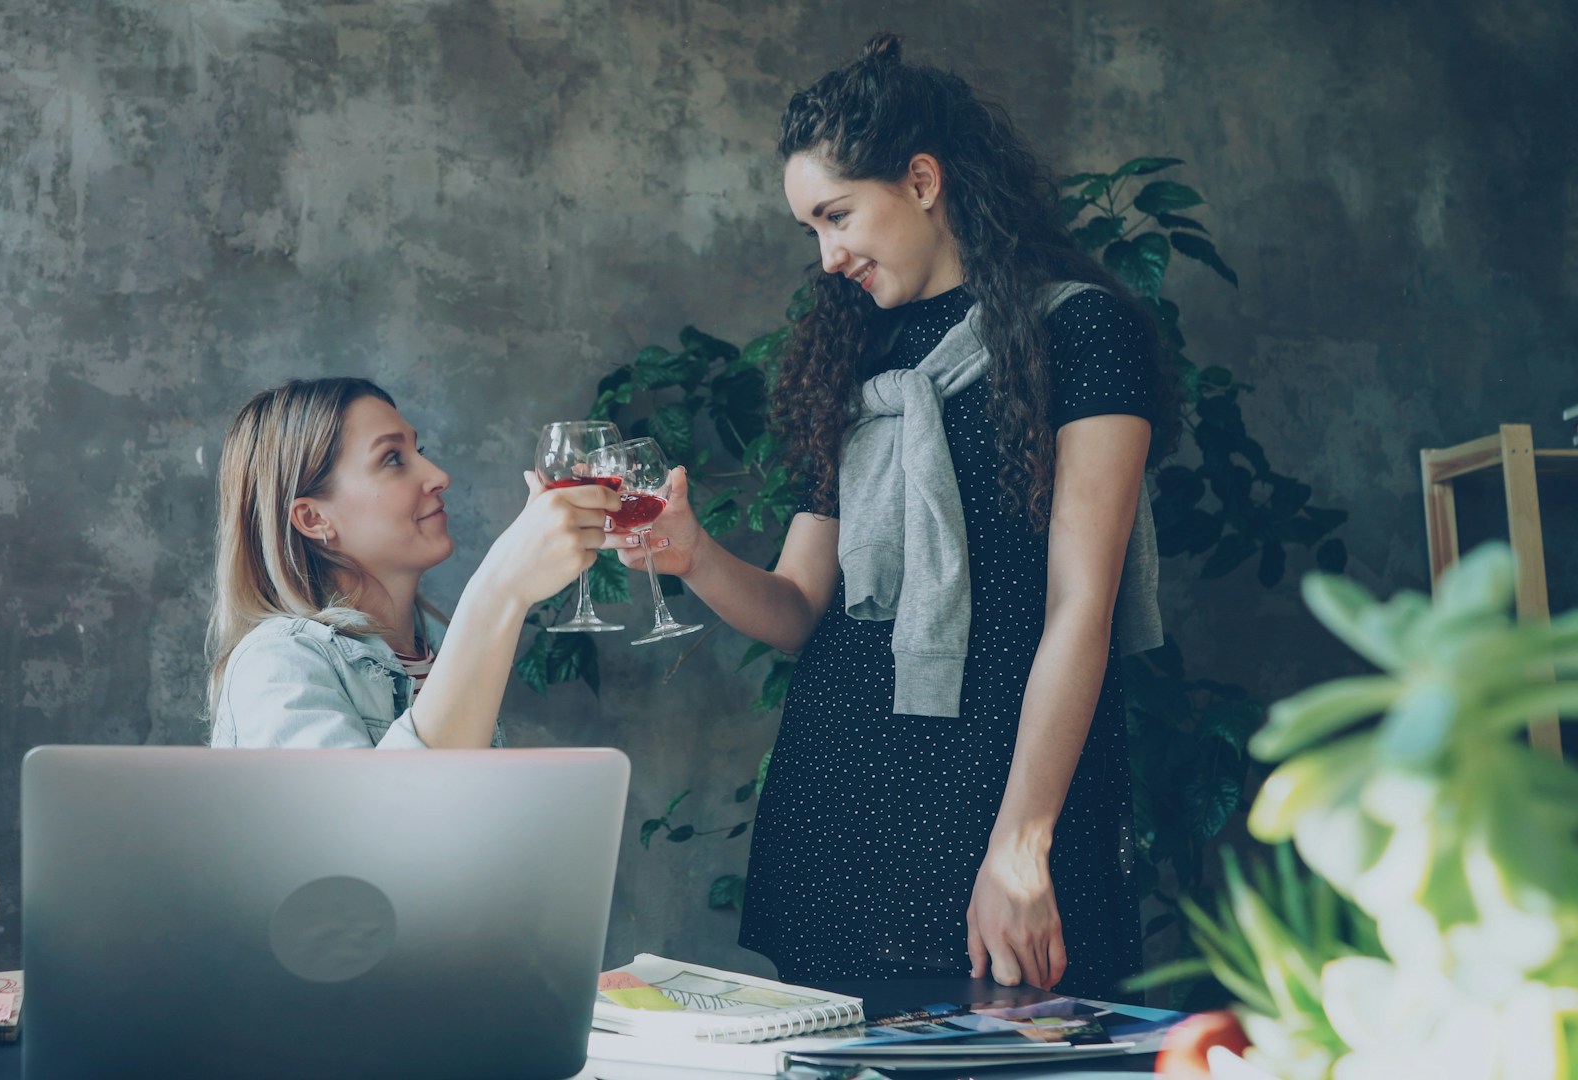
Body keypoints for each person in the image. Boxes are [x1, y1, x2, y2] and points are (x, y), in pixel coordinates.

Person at [618, 33, 1174, 997]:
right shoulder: (849, 359)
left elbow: (1082, 605)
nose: (828, 257)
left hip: (1004, 797)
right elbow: (800, 606)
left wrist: (1021, 847)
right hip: (841, 805)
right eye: (811, 231)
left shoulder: (1081, 331)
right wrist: (694, 555)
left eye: (837, 215)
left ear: (922, 180)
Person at [205, 377, 618, 750]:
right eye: (392, 459)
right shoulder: (277, 664)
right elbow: (373, 829)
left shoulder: (436, 647)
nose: (439, 475)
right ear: (314, 519)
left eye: (417, 451)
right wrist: (500, 589)